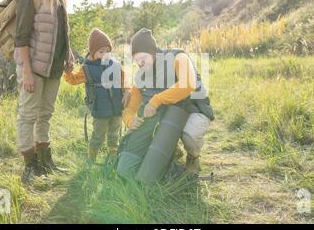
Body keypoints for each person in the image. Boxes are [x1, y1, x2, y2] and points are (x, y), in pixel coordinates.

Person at [10, 0, 75, 184]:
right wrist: (26, 71)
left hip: (54, 68)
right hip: (33, 67)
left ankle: (46, 160)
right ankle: (30, 165)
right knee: (28, 115)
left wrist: (67, 54)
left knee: (45, 114)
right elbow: (22, 37)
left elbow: (61, 32)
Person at [119, 28, 214, 177]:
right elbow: (131, 107)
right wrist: (129, 120)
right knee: (147, 131)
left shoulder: (178, 57)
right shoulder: (140, 77)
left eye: (143, 57)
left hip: (193, 109)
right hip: (168, 118)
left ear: (154, 51)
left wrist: (156, 100)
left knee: (190, 135)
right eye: (136, 59)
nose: (140, 63)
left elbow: (187, 84)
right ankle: (172, 149)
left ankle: (193, 157)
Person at [64, 28, 130, 162]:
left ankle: (112, 156)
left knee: (114, 134)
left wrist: (127, 91)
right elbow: (74, 80)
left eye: (108, 51)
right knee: (98, 135)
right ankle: (91, 158)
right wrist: (67, 72)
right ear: (93, 52)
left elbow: (124, 79)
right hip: (100, 108)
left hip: (116, 106)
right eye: (101, 51)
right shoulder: (87, 69)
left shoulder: (115, 65)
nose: (105, 54)